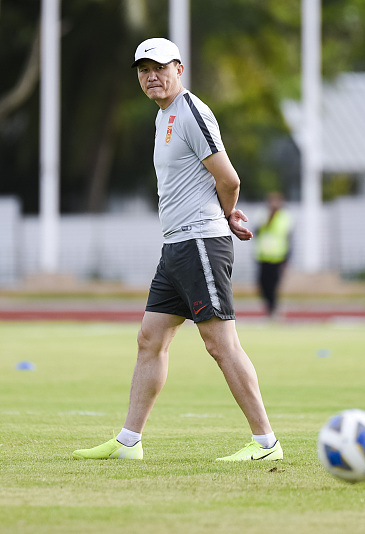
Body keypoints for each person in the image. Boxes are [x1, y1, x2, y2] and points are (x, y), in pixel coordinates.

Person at [73, 38, 283, 462]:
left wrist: (226, 217)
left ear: (179, 69)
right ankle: (129, 442)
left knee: (220, 344)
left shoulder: (190, 111)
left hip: (200, 242)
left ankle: (266, 444)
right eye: (143, 69)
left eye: (160, 67)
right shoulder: (163, 115)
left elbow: (230, 179)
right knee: (150, 339)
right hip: (176, 247)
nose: (152, 75)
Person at [255, 192, 292, 317]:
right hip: (263, 256)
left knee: (274, 285)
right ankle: (269, 307)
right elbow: (257, 230)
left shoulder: (284, 217)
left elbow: (288, 237)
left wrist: (287, 258)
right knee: (262, 284)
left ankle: (273, 309)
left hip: (278, 257)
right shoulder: (262, 214)